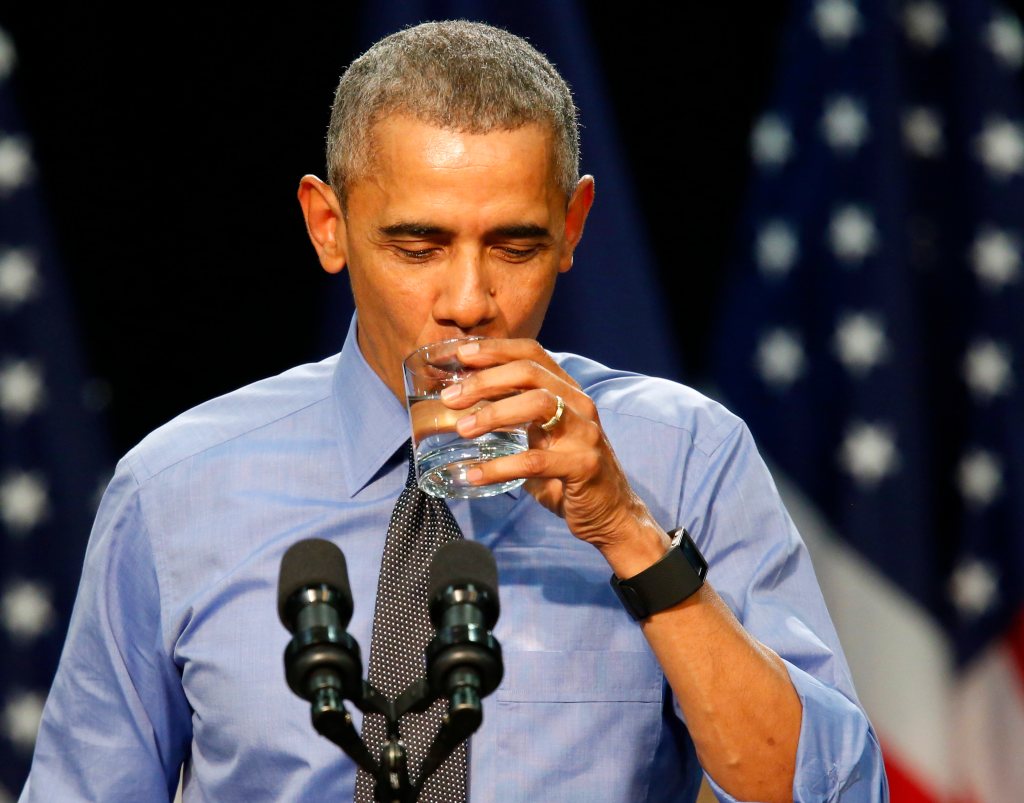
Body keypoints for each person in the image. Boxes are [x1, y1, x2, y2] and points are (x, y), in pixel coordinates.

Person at [20, 20, 886, 803]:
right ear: (329, 225)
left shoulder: (688, 453)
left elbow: (828, 792)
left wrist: (626, 530)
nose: (469, 300)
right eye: (418, 245)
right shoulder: (176, 489)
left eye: (516, 245)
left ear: (575, 224)